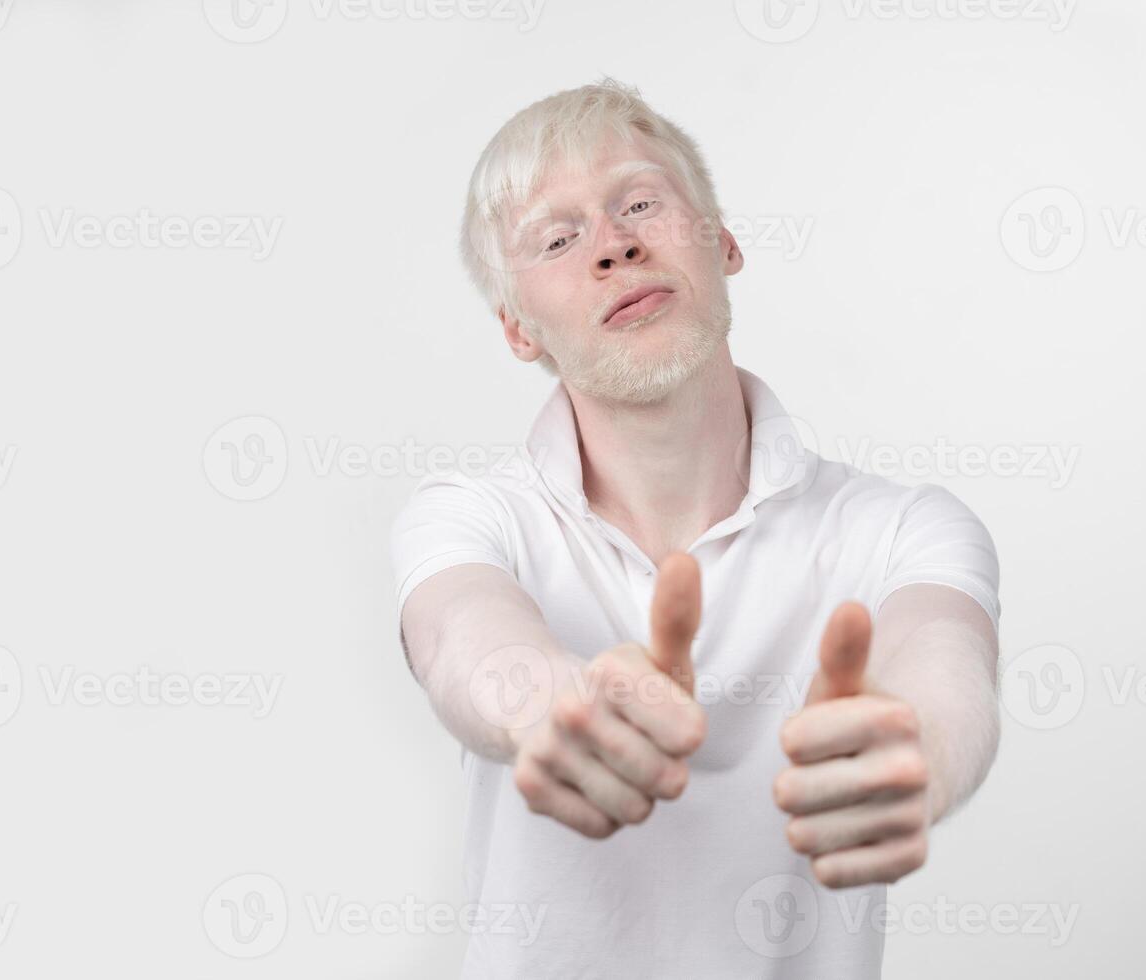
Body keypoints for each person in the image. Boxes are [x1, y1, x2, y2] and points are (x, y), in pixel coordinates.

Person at [390, 77, 1002, 978]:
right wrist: (546, 701)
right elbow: (462, 636)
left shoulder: (902, 528)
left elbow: (947, 663)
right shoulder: (472, 518)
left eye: (639, 202)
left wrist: (916, 750)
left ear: (721, 242)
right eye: (558, 239)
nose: (615, 246)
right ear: (519, 330)